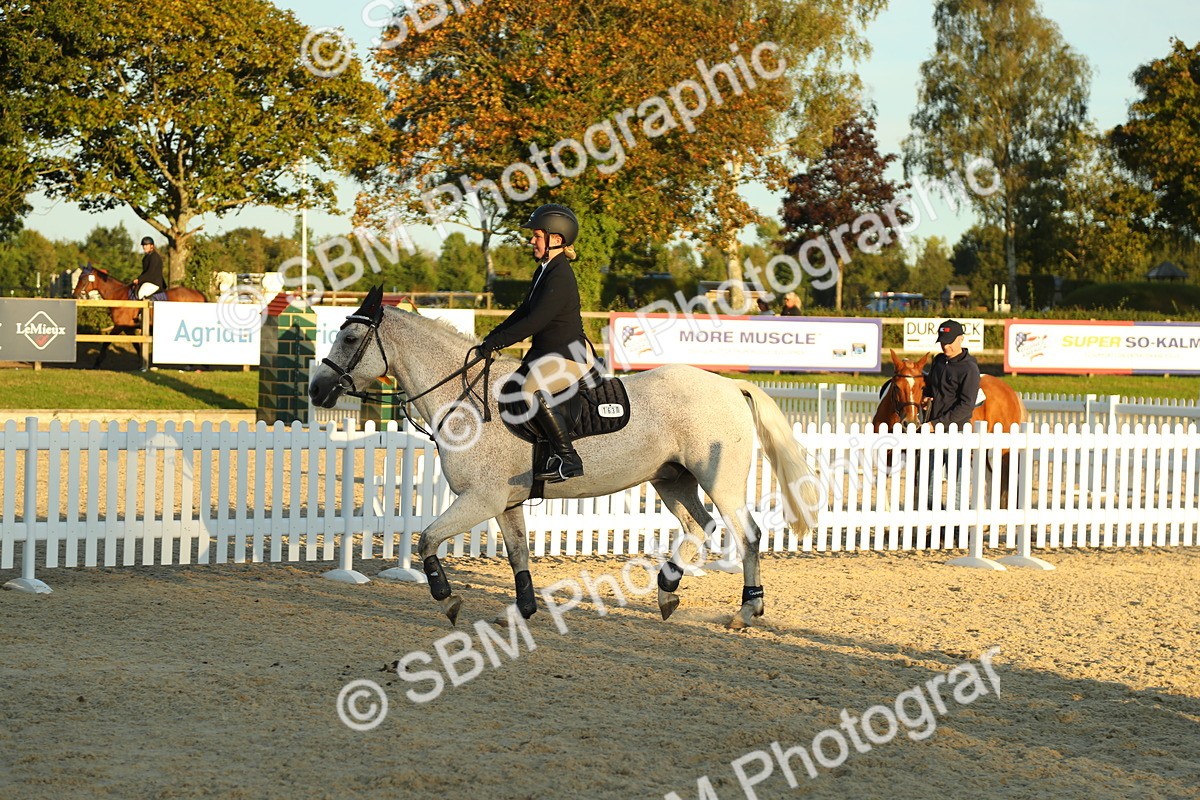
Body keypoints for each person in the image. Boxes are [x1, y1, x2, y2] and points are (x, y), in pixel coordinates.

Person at [479, 204, 593, 482]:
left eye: (537, 235)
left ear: (556, 239)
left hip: (569, 354)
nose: (531, 240)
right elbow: (524, 311)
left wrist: (498, 343)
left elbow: (536, 321)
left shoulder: (561, 275)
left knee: (531, 390)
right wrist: (492, 337)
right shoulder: (544, 269)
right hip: (547, 353)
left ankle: (569, 458)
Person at [922, 318, 981, 519]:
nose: (945, 346)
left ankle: (955, 527)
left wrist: (937, 424)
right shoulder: (938, 361)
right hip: (931, 431)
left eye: (949, 341)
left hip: (957, 433)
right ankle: (932, 523)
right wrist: (925, 397)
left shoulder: (969, 369)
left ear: (961, 339)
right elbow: (931, 387)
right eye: (942, 341)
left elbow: (966, 406)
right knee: (927, 481)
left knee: (956, 483)